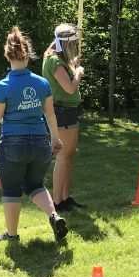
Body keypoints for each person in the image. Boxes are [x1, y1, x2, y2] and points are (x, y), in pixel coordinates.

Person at [0, 26, 68, 242]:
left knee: (11, 189)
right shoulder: (42, 83)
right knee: (35, 184)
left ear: (7, 55)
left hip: (13, 145)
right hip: (40, 144)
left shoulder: (3, 85)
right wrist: (55, 139)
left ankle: (12, 235)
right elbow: (50, 115)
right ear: (27, 55)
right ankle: (54, 216)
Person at [42, 23, 84, 212]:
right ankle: (57, 202)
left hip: (68, 111)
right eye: (73, 43)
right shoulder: (55, 62)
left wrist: (73, 64)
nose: (75, 46)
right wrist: (78, 73)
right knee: (63, 157)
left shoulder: (59, 60)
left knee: (69, 156)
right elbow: (69, 87)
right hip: (61, 113)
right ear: (66, 44)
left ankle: (65, 198)